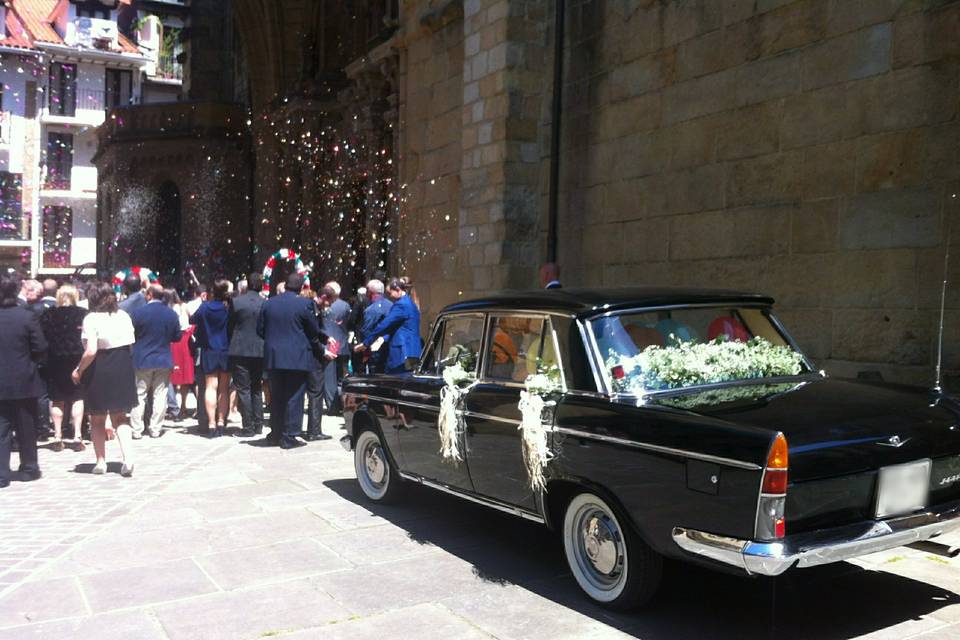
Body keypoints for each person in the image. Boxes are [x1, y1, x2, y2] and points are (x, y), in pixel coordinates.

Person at [72, 282, 137, 477]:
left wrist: (78, 369)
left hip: (98, 367)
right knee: (121, 416)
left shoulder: (91, 318)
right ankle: (128, 458)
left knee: (97, 418)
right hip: (122, 364)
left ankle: (101, 461)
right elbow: (131, 344)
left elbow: (91, 350)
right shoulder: (124, 316)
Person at [257, 273, 326, 449]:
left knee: (277, 395)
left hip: (274, 356)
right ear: (302, 287)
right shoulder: (305, 304)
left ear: (285, 285)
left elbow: (260, 329)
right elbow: (313, 330)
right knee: (295, 396)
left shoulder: (269, 303)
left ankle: (276, 432)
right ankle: (289, 435)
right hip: (297, 356)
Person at [0, 274, 46, 487]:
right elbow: (40, 347)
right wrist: (31, 363)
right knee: (26, 426)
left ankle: (1, 472)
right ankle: (29, 467)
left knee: (1, 428)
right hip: (24, 378)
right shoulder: (26, 317)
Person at [39, 284, 87, 452]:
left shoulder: (48, 314)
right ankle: (77, 434)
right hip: (77, 360)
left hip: (55, 360)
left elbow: (42, 338)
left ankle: (58, 434)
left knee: (57, 398)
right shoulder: (83, 314)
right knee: (77, 397)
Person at [130, 284, 182, 439]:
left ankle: (137, 429)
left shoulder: (138, 313)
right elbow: (177, 337)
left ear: (150, 294)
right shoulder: (171, 314)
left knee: (139, 395)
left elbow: (131, 334)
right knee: (161, 395)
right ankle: (155, 428)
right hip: (163, 358)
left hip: (142, 359)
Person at [306, 281, 350, 439]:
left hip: (316, 352)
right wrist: (323, 350)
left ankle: (314, 429)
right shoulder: (311, 308)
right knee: (316, 393)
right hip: (312, 357)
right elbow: (311, 334)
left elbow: (316, 331)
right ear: (324, 297)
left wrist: (327, 337)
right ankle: (314, 431)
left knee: (317, 392)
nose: (330, 305)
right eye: (330, 302)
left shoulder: (315, 308)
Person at [355, 277, 422, 374]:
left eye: (390, 293)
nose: (389, 296)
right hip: (412, 351)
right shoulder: (410, 303)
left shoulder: (401, 305)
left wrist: (366, 342)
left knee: (397, 382)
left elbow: (385, 325)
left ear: (398, 290)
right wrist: (383, 338)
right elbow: (398, 327)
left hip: (402, 353)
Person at [191, 279, 231, 437]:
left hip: (209, 350)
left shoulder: (205, 307)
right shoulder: (228, 307)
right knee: (224, 389)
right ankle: (221, 422)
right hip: (226, 350)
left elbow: (192, 320)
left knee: (210, 387)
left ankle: (211, 424)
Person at [229, 272, 266, 437]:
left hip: (240, 348)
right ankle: (258, 424)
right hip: (259, 349)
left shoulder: (237, 302)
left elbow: (229, 325)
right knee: (256, 387)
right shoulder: (264, 303)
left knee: (243, 389)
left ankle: (248, 427)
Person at [165, 288, 195, 420]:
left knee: (171, 375)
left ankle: (174, 406)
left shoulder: (168, 309)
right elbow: (192, 320)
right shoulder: (185, 306)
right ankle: (182, 406)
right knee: (184, 376)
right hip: (185, 340)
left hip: (173, 342)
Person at [357, 279, 392, 374]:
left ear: (370, 292)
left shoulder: (371, 310)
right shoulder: (392, 305)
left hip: (376, 352)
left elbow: (366, 331)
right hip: (391, 349)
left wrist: (366, 352)